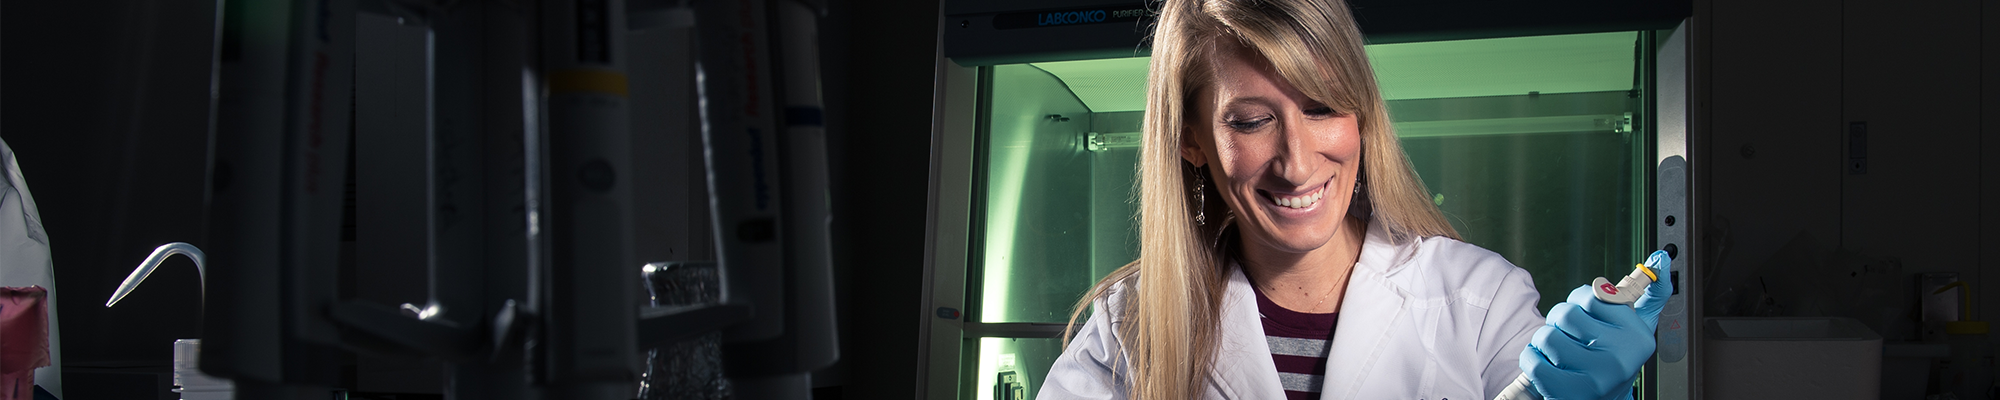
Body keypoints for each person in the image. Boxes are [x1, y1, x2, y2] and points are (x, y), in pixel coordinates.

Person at [1036, 0, 1668, 399]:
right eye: (1252, 121)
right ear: (1192, 141)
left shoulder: (1477, 302)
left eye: (1322, 108)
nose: (1299, 162)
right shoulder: (1129, 329)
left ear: (1361, 114)